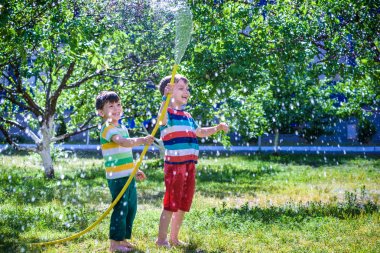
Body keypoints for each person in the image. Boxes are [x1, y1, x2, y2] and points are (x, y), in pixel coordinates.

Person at [155, 74, 229, 248]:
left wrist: (217, 128)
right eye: (180, 88)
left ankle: (174, 238)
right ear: (169, 92)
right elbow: (161, 120)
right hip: (175, 166)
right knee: (171, 202)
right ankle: (161, 240)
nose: (186, 92)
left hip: (189, 165)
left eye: (187, 89)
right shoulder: (168, 114)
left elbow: (200, 132)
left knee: (183, 202)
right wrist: (165, 98)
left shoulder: (187, 116)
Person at [96, 91, 154, 252]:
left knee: (130, 207)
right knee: (121, 207)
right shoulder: (107, 129)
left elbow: (126, 154)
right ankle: (114, 244)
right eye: (111, 106)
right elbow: (122, 142)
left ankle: (122, 239)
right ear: (101, 112)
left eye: (119, 105)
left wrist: (135, 169)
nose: (116, 109)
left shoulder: (122, 127)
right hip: (117, 178)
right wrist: (141, 140)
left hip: (128, 176)